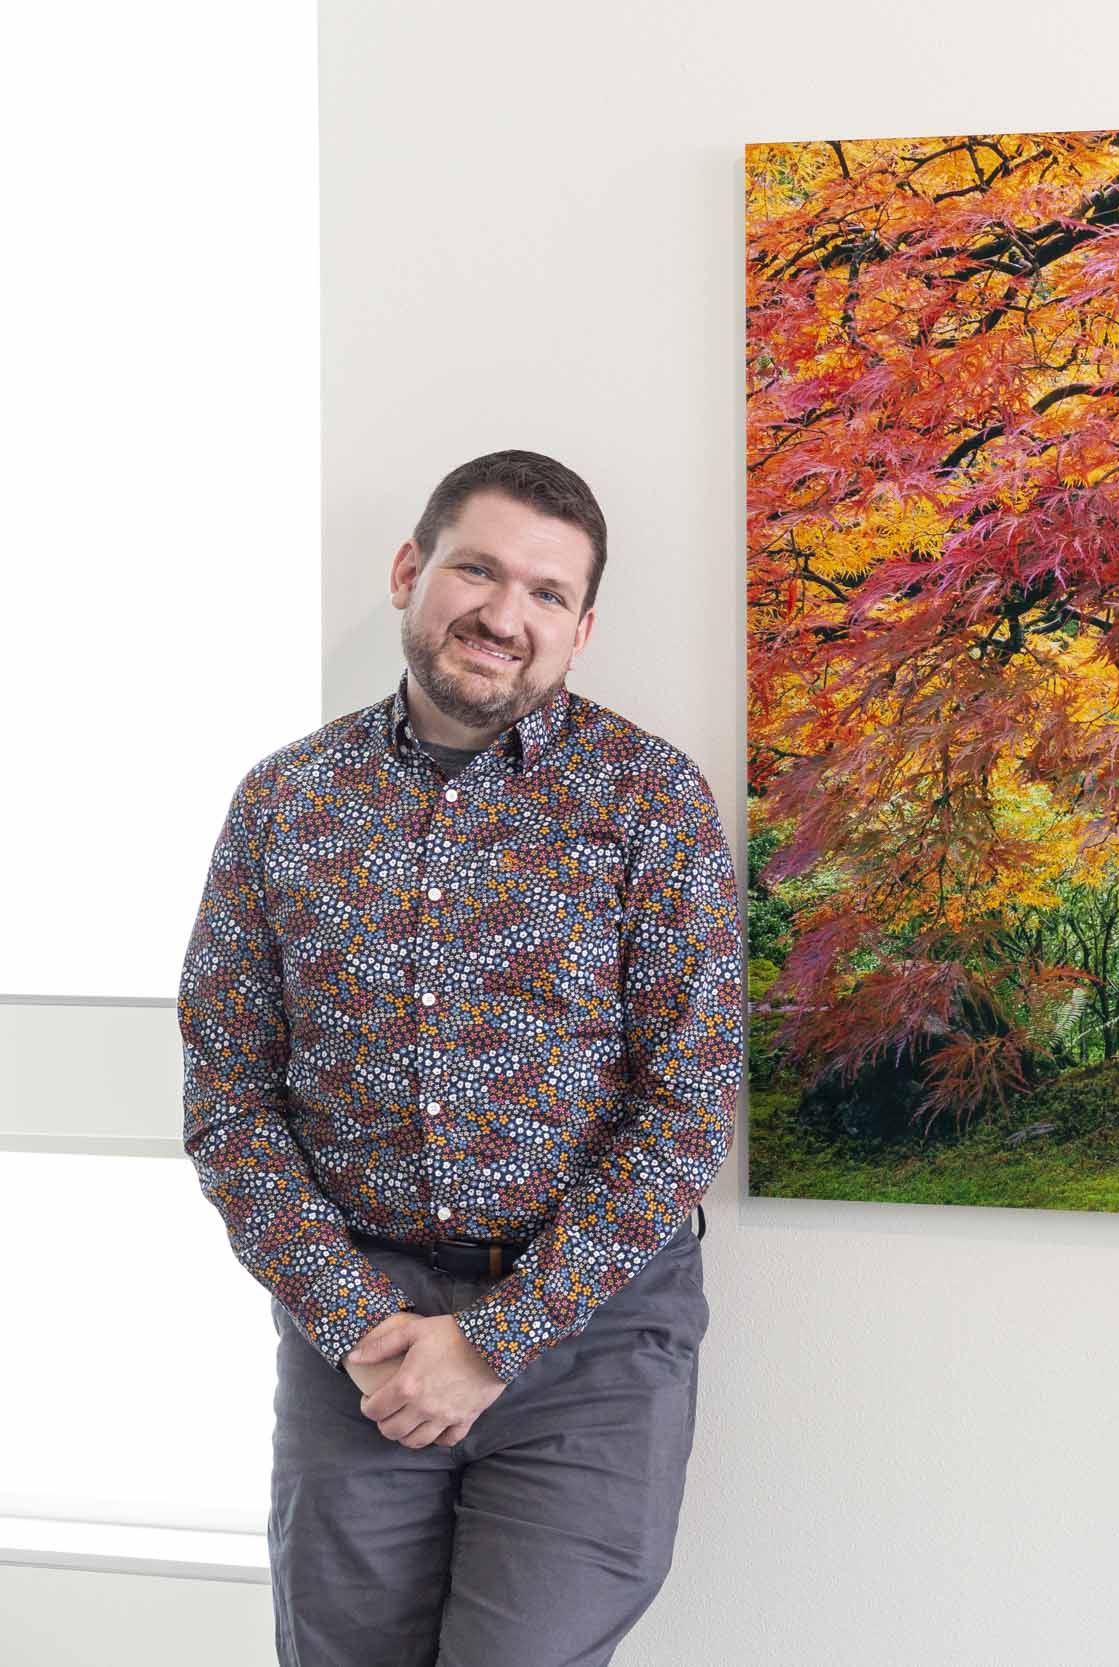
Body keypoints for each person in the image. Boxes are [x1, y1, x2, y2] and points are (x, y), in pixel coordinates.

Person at [178, 450, 742, 1666]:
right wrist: (356, 1319)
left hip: (591, 1337)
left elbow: (689, 1107)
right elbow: (228, 1096)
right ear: (409, 570)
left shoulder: (649, 803)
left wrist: (497, 1336)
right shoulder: (284, 803)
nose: (503, 613)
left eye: (546, 592)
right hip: (359, 1338)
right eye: (477, 569)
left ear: (580, 629)